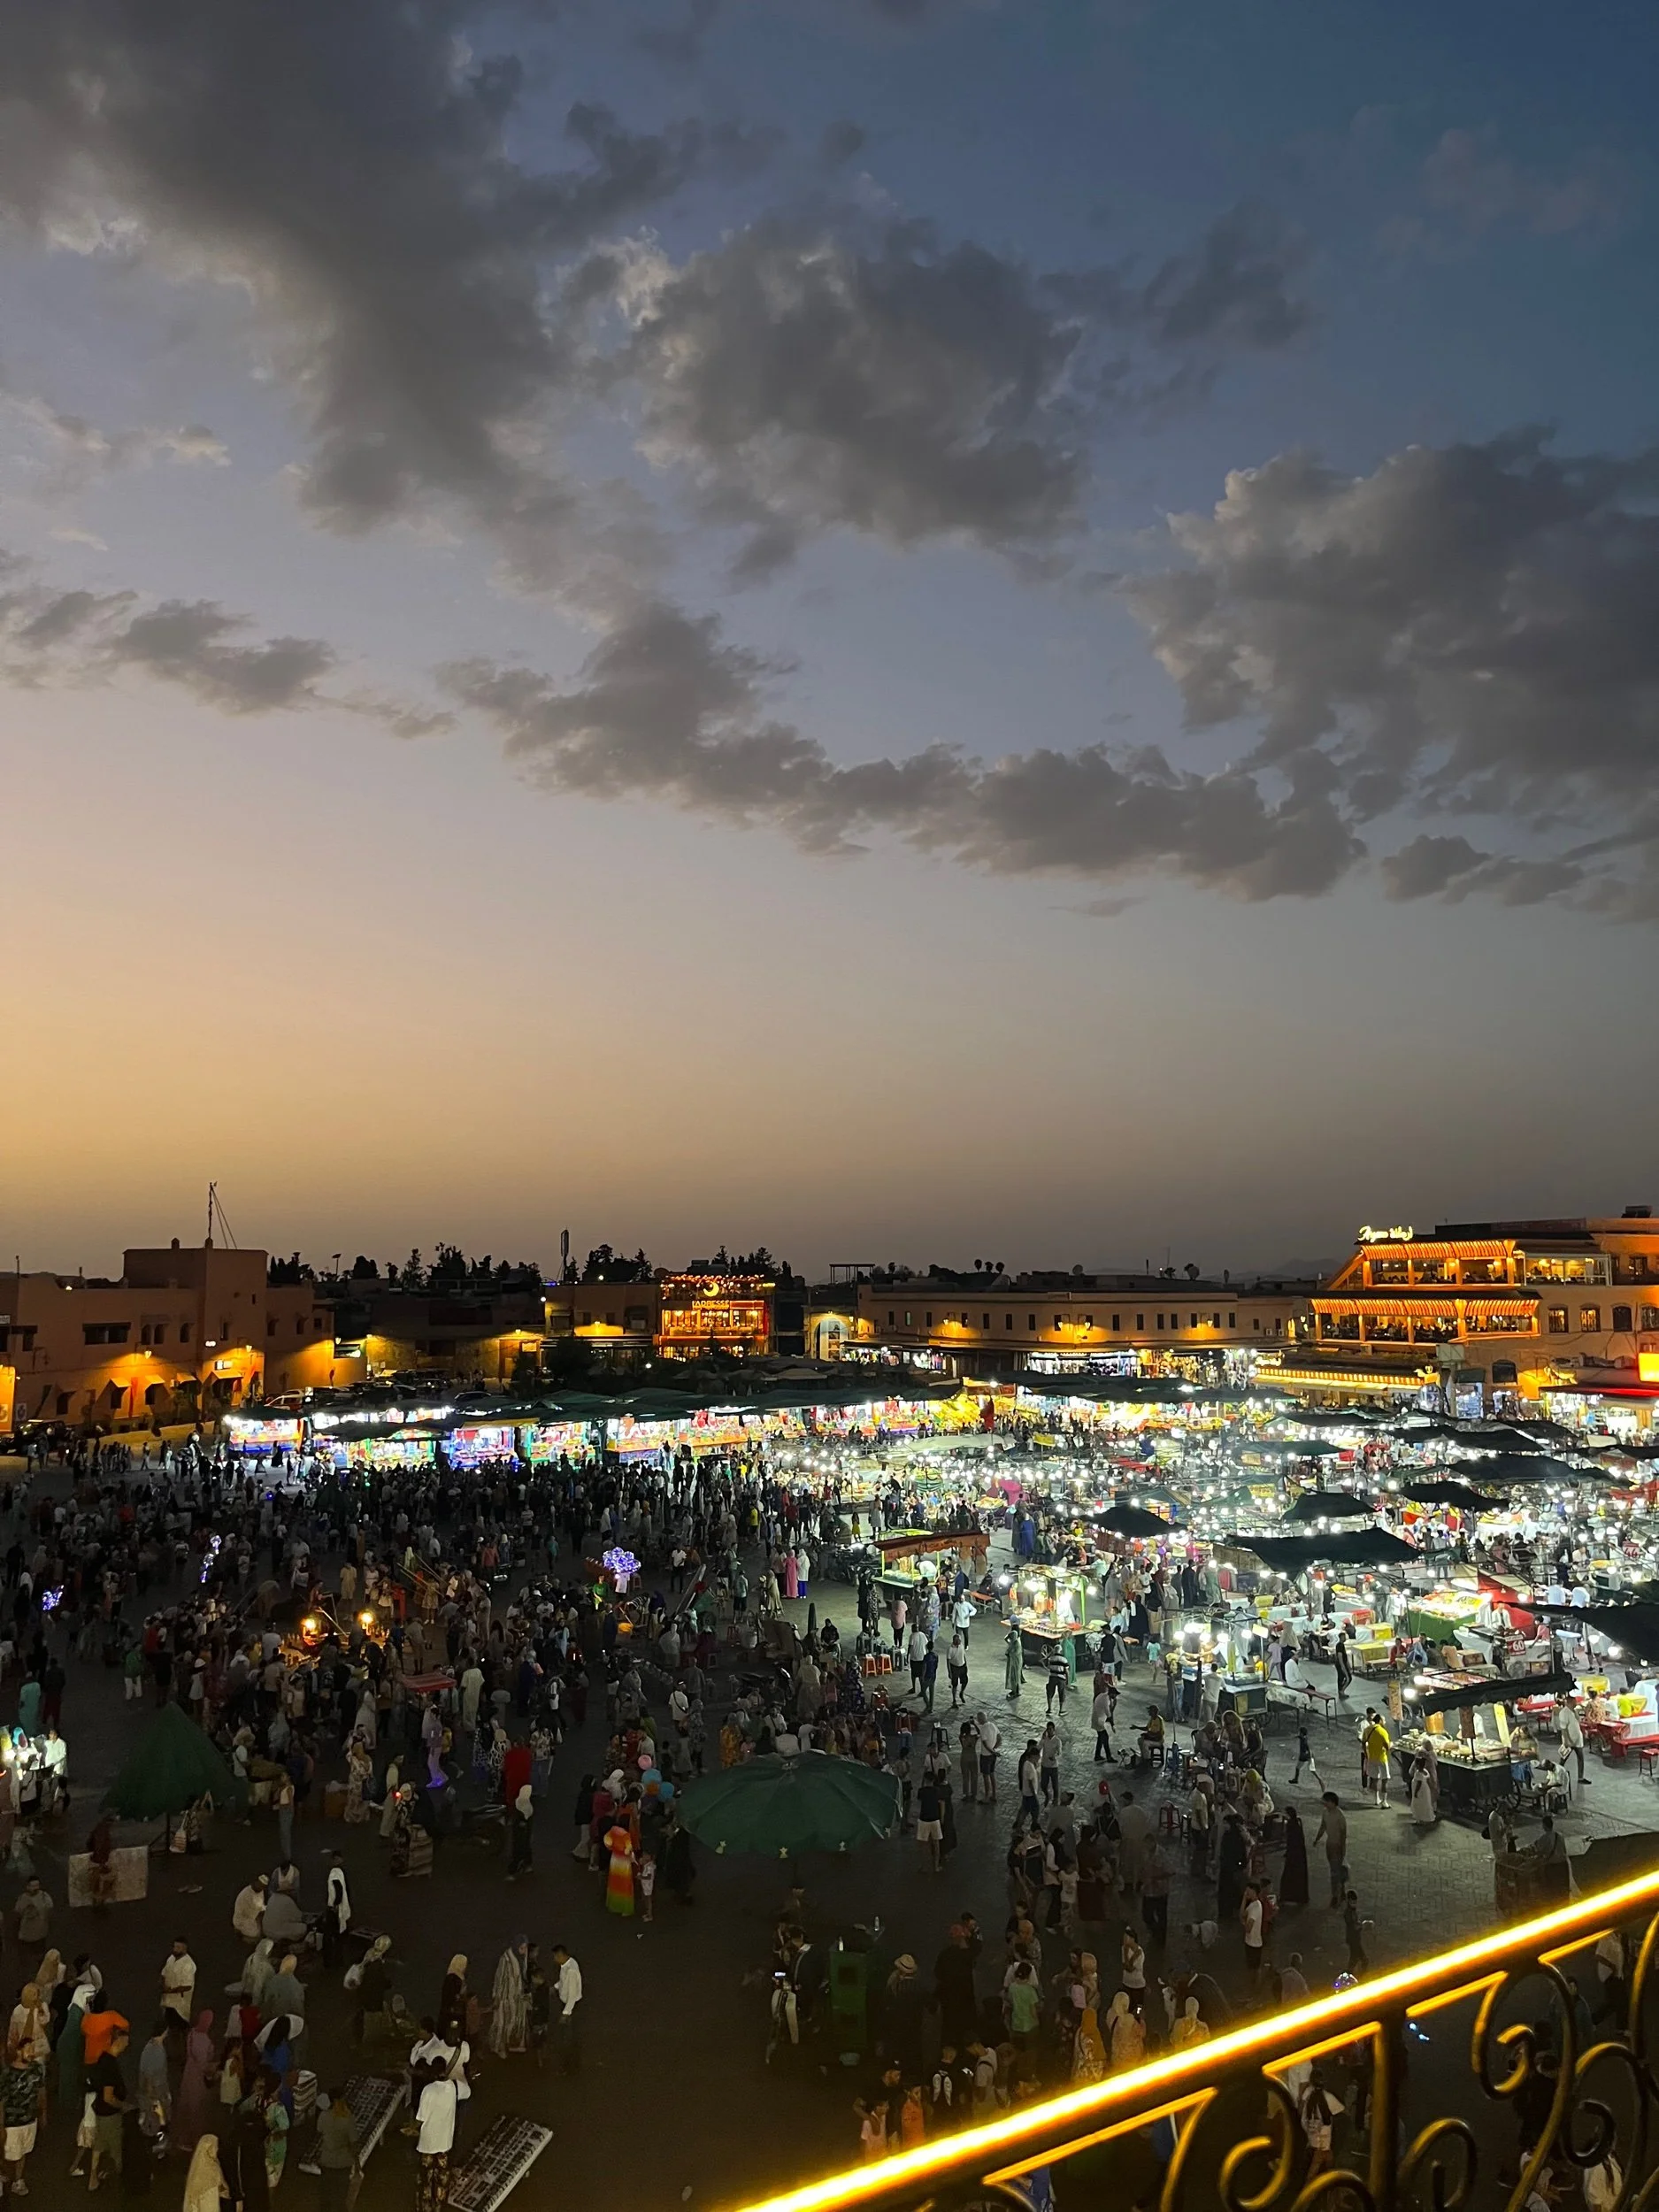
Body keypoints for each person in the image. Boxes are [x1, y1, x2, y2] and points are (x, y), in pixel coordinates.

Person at [86, 2023, 129, 2192]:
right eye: (126, 2042)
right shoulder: (111, 2066)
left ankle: (93, 2177)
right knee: (116, 2147)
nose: (127, 2045)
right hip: (110, 2114)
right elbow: (109, 2097)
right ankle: (122, 2182)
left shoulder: (103, 2058)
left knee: (99, 2144)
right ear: (118, 2042)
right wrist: (123, 2105)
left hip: (100, 2111)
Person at [1, 2032, 44, 2197]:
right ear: (19, 2051)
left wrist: (43, 2112)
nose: (32, 2052)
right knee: (9, 2153)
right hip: (12, 2121)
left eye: (33, 2049)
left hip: (29, 2119)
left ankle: (18, 2180)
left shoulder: (36, 2069)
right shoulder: (7, 2074)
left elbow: (41, 2090)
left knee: (23, 2151)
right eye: (28, 2048)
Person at [415, 2057, 457, 2212]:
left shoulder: (428, 2090)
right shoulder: (452, 2087)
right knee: (442, 2180)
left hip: (428, 2143)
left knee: (426, 2180)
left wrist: (412, 2129)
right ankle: (439, 2207)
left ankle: (425, 2208)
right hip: (445, 2142)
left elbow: (421, 2118)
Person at [174, 2009, 218, 2151]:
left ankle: (182, 2138)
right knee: (197, 2108)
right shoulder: (205, 2041)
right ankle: (195, 2141)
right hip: (198, 2078)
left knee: (186, 2105)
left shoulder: (192, 2033)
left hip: (188, 2073)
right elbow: (204, 2065)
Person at [312, 2085, 361, 2212]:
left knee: (326, 2197)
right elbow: (354, 2143)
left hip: (326, 2161)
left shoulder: (323, 2116)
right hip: (343, 2163)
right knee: (341, 2198)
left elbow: (319, 2133)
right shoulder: (348, 2118)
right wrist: (358, 2165)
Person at [489, 1940, 532, 2058]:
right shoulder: (506, 1960)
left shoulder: (522, 1959)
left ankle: (513, 2044)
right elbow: (499, 1979)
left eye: (525, 1948)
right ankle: (498, 2047)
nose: (524, 1951)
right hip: (504, 1998)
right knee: (502, 2024)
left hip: (516, 1998)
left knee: (514, 2022)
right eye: (522, 1948)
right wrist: (497, 1996)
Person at [1313, 1793, 1349, 1910]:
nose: (1324, 1803)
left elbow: (1343, 1835)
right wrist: (1317, 1839)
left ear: (1332, 1802)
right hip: (1330, 1845)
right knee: (1335, 1870)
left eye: (1326, 1801)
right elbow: (1323, 1826)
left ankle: (1336, 1896)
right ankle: (1341, 1892)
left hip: (1337, 1846)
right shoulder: (1325, 1813)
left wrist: (1343, 1850)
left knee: (1335, 1873)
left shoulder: (1340, 1816)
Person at [552, 1945, 582, 2075]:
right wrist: (556, 1986)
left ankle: (567, 2067)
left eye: (555, 1957)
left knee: (567, 2039)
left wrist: (565, 2014)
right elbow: (563, 1981)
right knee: (568, 2037)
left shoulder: (571, 1971)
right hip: (566, 2004)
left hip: (570, 2007)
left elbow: (572, 1995)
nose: (554, 1960)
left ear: (561, 1956)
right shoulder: (567, 1965)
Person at [182, 2134, 229, 2212]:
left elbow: (216, 2186)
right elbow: (195, 2194)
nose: (217, 2149)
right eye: (215, 2146)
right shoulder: (202, 2169)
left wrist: (222, 2192)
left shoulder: (214, 2165)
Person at [160, 1939, 196, 2031]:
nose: (175, 1949)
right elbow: (164, 1973)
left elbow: (188, 1986)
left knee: (179, 2030)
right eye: (175, 1946)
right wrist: (164, 1985)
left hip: (179, 2006)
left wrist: (171, 1991)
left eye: (178, 1947)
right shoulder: (171, 1959)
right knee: (167, 2029)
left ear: (184, 1949)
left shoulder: (188, 1964)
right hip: (167, 2002)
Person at [1279, 1802, 1310, 1907]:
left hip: (1294, 1856)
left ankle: (1289, 1896)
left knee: (1290, 1876)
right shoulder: (1296, 1824)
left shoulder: (1292, 1826)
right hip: (1297, 1855)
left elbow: (1293, 1841)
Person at [604, 1817, 635, 1916]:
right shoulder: (626, 1835)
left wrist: (613, 1848)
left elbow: (607, 1842)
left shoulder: (613, 1830)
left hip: (615, 1859)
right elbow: (628, 1850)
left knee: (614, 1882)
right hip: (623, 1862)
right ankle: (625, 1909)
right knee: (625, 1884)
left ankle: (613, 1905)